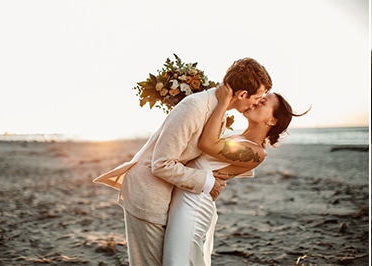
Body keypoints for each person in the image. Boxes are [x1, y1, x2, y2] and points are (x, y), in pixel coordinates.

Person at [93, 57, 272, 265]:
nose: (257, 103)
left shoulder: (217, 110)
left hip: (167, 194)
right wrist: (208, 182)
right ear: (242, 94)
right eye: (258, 97)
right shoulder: (195, 107)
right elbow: (161, 164)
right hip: (147, 193)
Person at [163, 84, 307, 265]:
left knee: (177, 261)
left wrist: (223, 103)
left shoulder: (257, 152)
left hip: (194, 205)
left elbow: (207, 143)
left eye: (263, 101)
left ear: (272, 121)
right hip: (187, 195)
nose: (256, 101)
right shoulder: (236, 137)